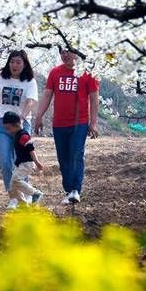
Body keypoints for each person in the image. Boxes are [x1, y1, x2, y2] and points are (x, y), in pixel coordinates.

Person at [35, 47, 100, 205]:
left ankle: (75, 190)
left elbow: (94, 97)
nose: (65, 55)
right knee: (63, 158)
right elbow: (47, 94)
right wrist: (39, 116)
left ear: (76, 52)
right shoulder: (55, 72)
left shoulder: (87, 72)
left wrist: (93, 122)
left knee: (76, 154)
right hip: (59, 123)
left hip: (80, 122)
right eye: (62, 52)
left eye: (67, 51)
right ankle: (68, 189)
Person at [0, 50, 39, 204]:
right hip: (2, 124)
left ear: (24, 65)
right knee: (5, 162)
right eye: (12, 62)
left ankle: (27, 194)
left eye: (18, 62)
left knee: (21, 161)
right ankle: (14, 197)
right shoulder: (1, 79)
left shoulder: (30, 81)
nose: (15, 65)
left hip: (21, 125)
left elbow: (30, 101)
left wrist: (22, 118)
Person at [2, 111, 44, 209]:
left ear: (16, 124)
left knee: (16, 180)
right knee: (12, 185)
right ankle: (22, 203)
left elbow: (31, 150)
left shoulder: (23, 136)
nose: (8, 131)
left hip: (27, 164)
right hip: (21, 164)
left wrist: (37, 162)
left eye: (8, 128)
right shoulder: (17, 134)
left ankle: (35, 193)